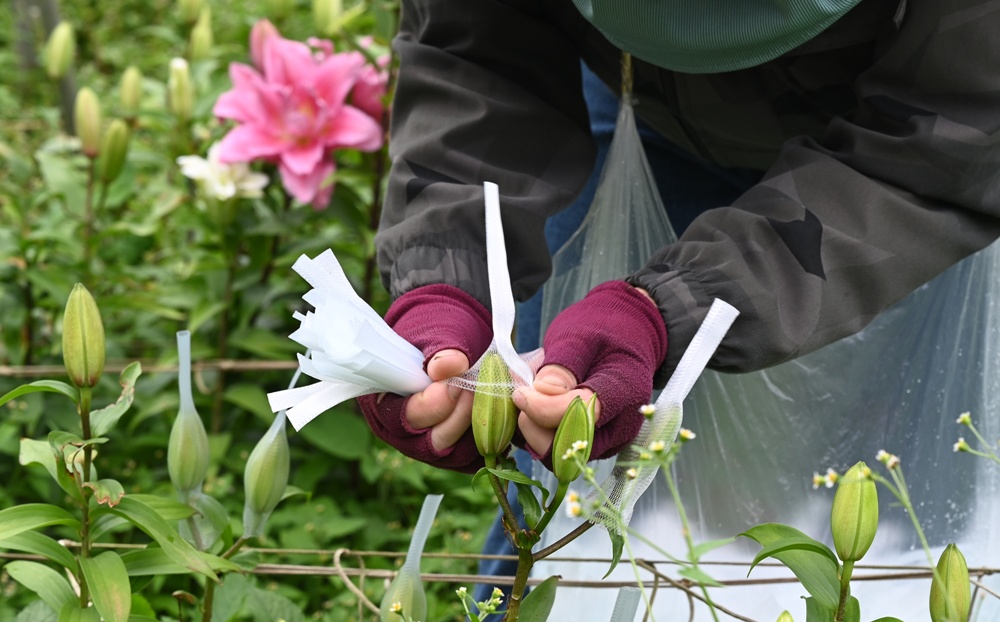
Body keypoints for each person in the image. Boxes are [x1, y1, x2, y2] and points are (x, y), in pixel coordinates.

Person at [356, 0, 1000, 612]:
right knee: (560, 458)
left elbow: (948, 145)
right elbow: (475, 62)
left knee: (925, 476)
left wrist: (670, 309)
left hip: (929, 137)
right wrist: (444, 276)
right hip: (647, 99)